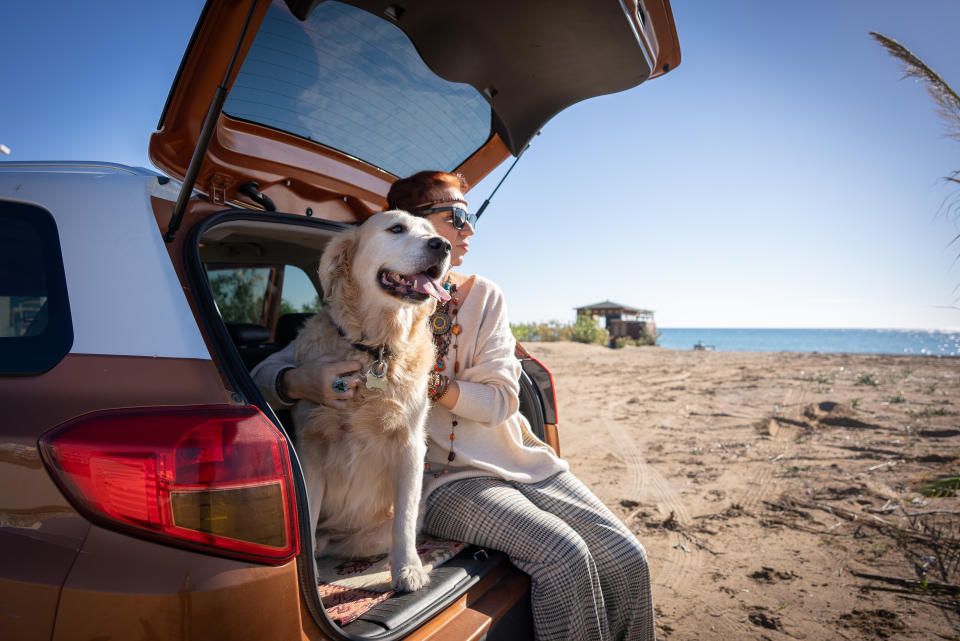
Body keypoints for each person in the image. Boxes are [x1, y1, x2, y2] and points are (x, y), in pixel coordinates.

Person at [252, 171, 655, 641]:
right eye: (457, 216)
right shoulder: (337, 327)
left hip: (520, 459)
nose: (467, 230)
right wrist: (300, 382)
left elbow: (504, 399)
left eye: (471, 217)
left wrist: (427, 382)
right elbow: (264, 375)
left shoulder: (481, 296)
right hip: (449, 479)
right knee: (565, 556)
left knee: (628, 555)